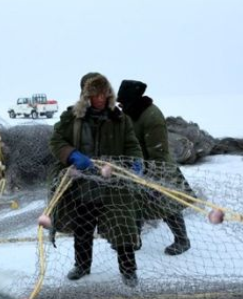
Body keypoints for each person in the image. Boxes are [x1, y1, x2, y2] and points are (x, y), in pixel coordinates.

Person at [49, 73, 143, 287]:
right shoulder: (72, 117)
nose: (100, 99)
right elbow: (56, 141)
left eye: (103, 94)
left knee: (122, 228)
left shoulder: (120, 118)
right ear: (86, 96)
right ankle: (82, 265)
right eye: (95, 95)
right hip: (83, 185)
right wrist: (71, 154)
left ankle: (129, 271)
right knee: (82, 228)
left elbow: (132, 145)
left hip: (114, 186)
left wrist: (137, 163)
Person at [116, 79, 192, 255]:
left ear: (131, 100)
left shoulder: (152, 115)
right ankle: (134, 240)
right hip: (136, 167)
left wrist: (150, 175)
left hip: (158, 167)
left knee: (167, 204)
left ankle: (182, 240)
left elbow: (158, 151)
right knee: (133, 203)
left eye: (122, 102)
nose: (120, 106)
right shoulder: (129, 112)